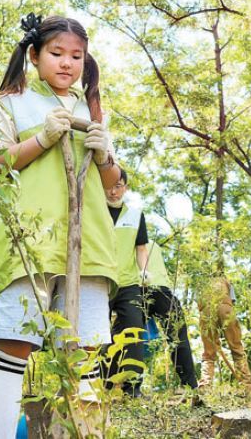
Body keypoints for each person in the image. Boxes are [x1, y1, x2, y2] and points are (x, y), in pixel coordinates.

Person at [0, 14, 121, 438]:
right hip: (29, 240)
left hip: (89, 243)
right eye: (57, 54)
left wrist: (103, 156)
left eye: (76, 56)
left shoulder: (92, 110)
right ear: (34, 55)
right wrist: (41, 139)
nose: (67, 64)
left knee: (84, 350)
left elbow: (115, 188)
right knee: (13, 345)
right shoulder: (11, 103)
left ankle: (81, 432)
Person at [104, 168, 149, 396]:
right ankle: (102, 384)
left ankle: (133, 388)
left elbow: (140, 248)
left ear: (126, 188)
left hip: (128, 283)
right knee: (99, 334)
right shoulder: (94, 210)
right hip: (100, 280)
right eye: (110, 186)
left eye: (118, 186)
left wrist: (144, 273)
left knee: (134, 330)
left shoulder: (135, 214)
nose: (113, 192)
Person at [142, 239, 198, 389]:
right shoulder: (154, 245)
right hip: (162, 290)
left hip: (136, 289)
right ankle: (190, 385)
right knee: (178, 337)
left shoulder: (124, 236)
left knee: (128, 337)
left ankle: (126, 388)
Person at [197, 263, 251, 388]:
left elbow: (199, 304)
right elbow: (231, 301)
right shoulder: (227, 282)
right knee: (236, 347)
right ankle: (246, 383)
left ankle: (205, 384)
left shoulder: (203, 284)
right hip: (226, 309)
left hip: (206, 311)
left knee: (208, 353)